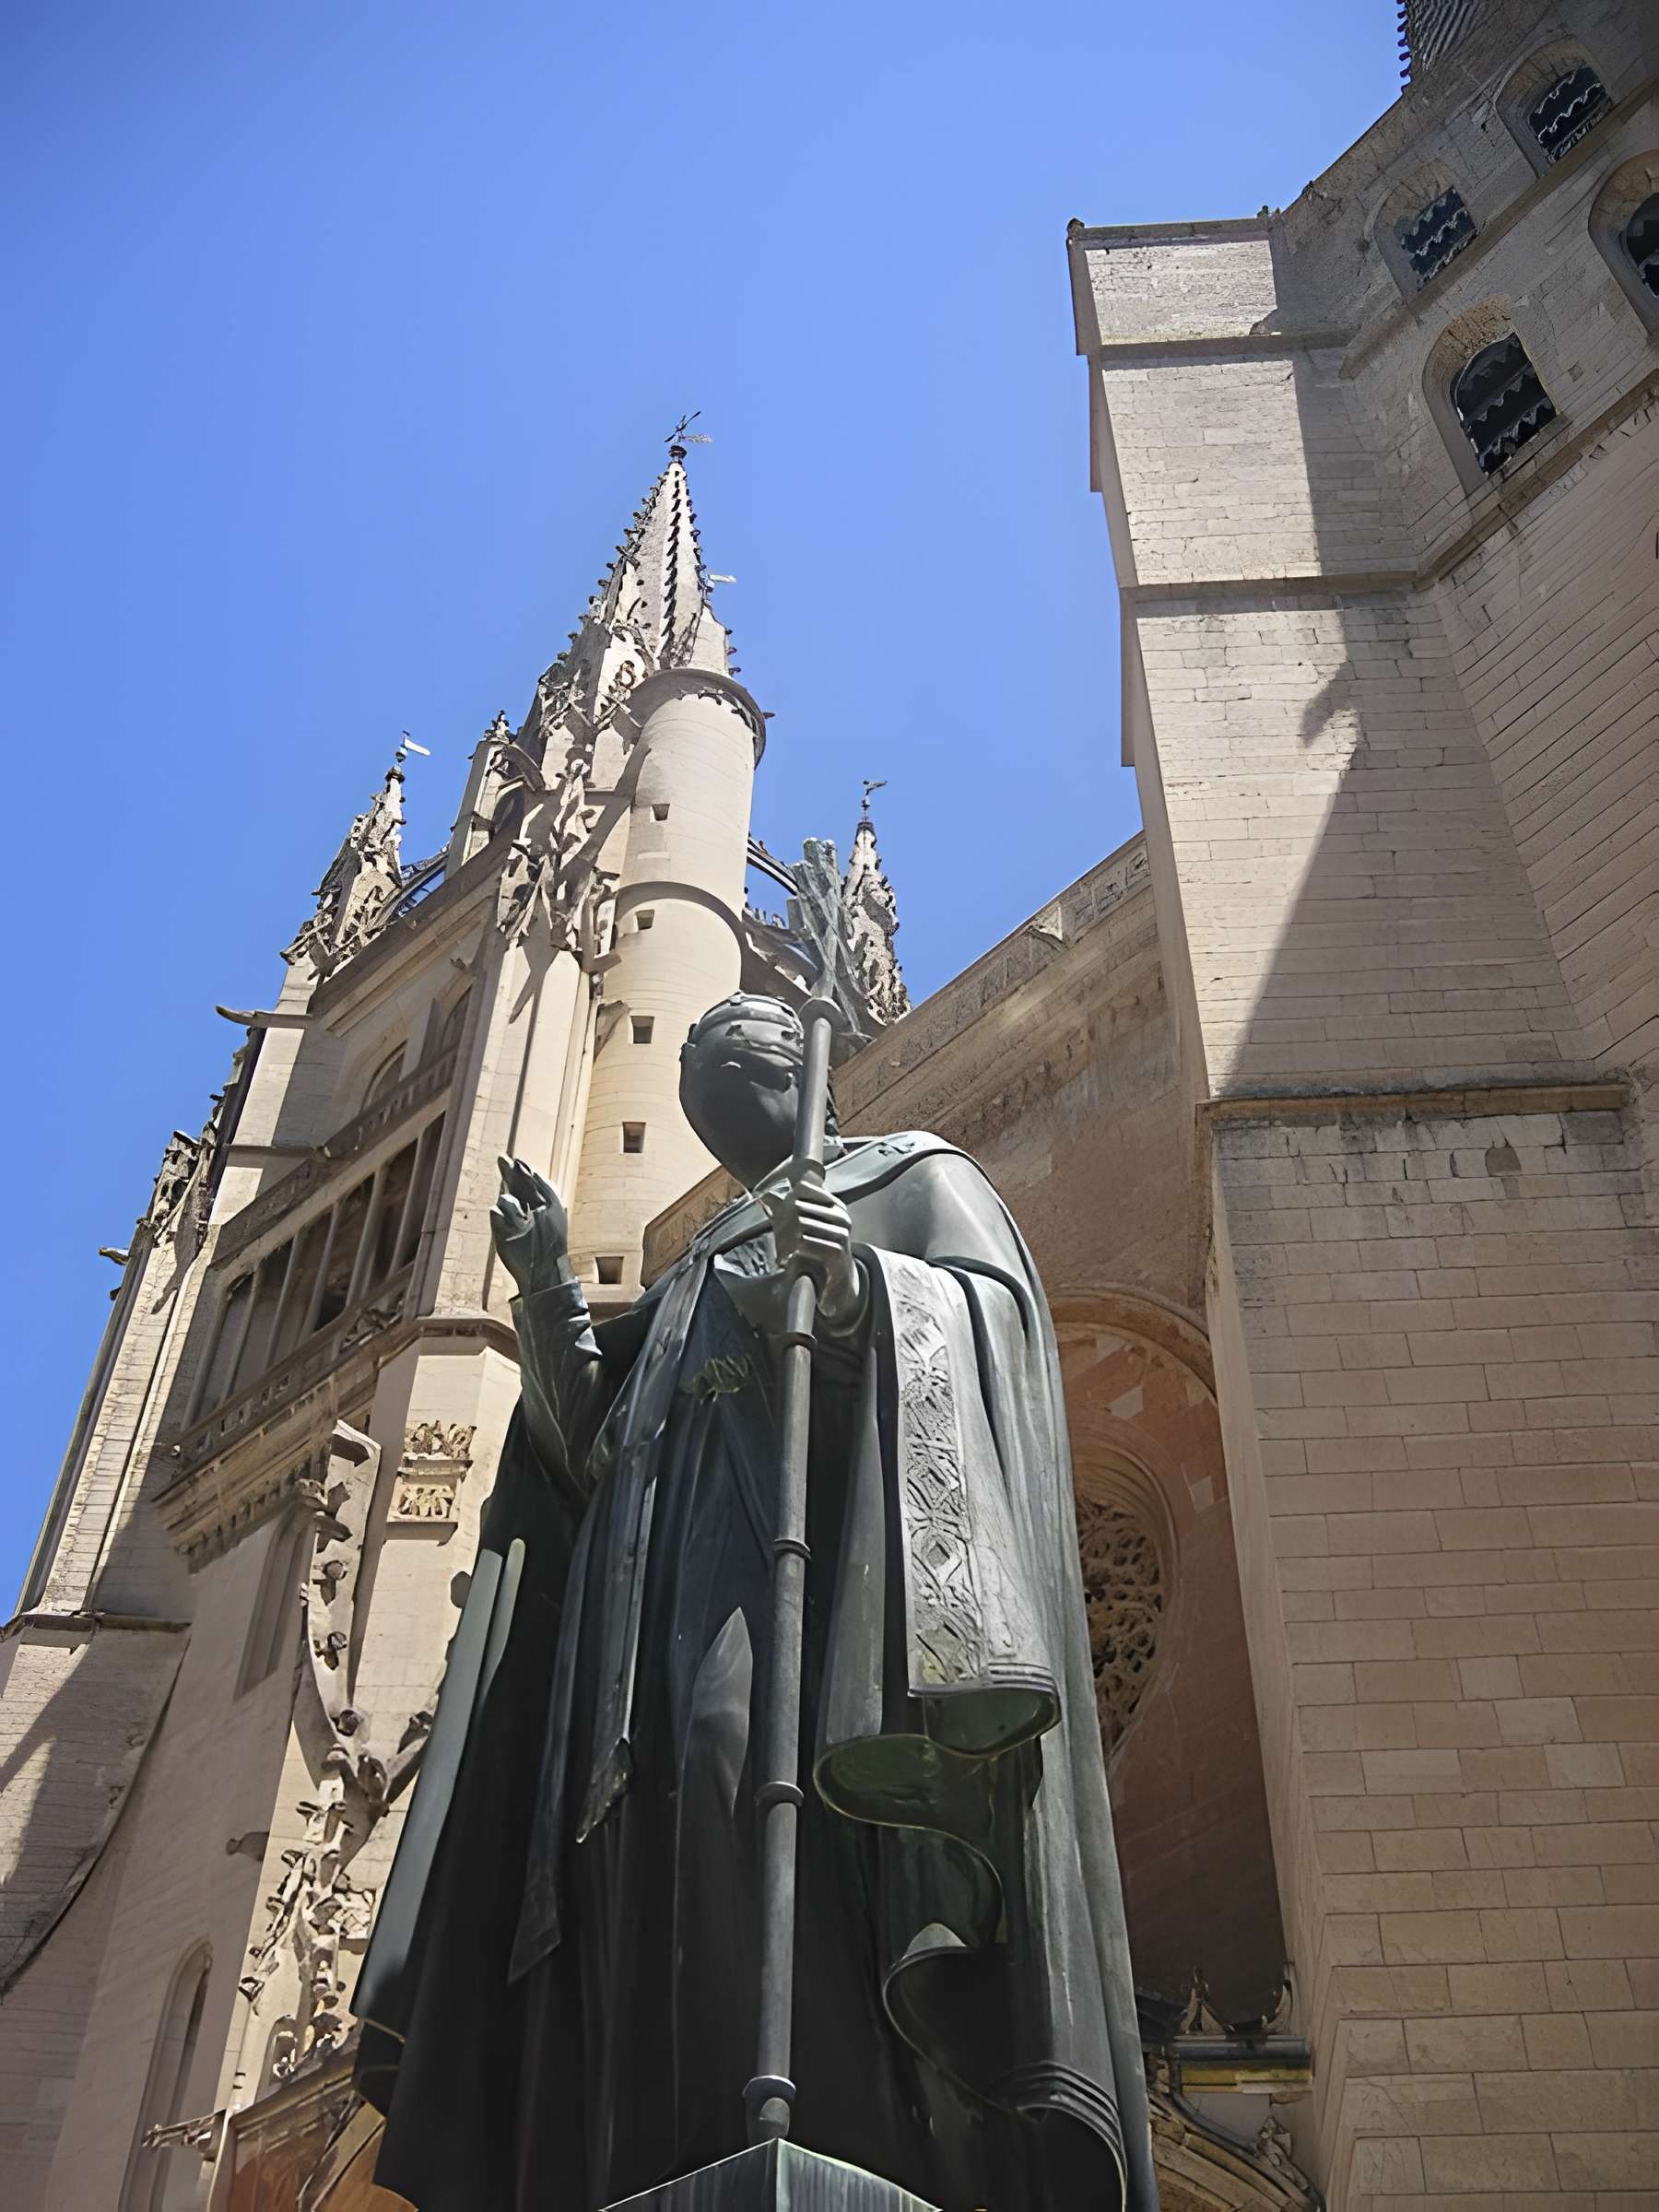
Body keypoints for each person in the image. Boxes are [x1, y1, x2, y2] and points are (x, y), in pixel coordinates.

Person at [355, 993, 1148, 2210]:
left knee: (743, 1779)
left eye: (732, 1051)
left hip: (806, 1611)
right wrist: (545, 1288)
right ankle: (655, 2159)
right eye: (692, 1064)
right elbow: (593, 1454)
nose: (700, 1068)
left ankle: (852, 2134)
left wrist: (856, 1290)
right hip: (632, 1641)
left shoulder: (906, 1175)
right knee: (636, 1859)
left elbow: (990, 1323)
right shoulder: (689, 1268)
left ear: (808, 1075)